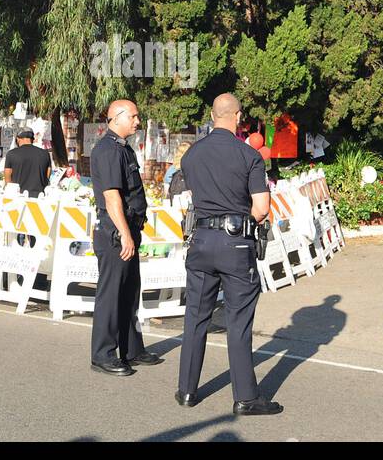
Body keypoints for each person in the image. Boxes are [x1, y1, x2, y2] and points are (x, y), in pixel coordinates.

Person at [175, 93, 281, 416]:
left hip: (201, 241)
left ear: (211, 115)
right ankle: (246, 398)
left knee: (196, 316)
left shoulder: (191, 156)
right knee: (238, 320)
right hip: (235, 244)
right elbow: (261, 209)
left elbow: (194, 196)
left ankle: (187, 390)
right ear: (238, 117)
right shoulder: (249, 156)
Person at [87, 99, 162, 377]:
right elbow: (111, 197)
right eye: (133, 116)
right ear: (116, 117)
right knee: (110, 295)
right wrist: (124, 234)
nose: (137, 121)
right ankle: (103, 354)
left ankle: (131, 349)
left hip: (127, 229)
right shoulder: (108, 150)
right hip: (115, 233)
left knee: (129, 292)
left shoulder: (123, 148)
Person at [3, 128, 51, 197]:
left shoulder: (11, 154)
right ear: (32, 139)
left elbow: (8, 181)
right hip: (39, 197)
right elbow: (47, 175)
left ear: (18, 139)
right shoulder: (45, 154)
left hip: (18, 197)